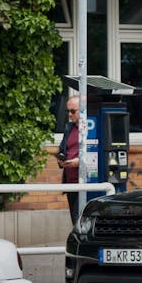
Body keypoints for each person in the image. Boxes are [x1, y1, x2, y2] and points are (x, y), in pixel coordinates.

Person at [57, 95, 80, 224]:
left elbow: (95, 152)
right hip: (70, 181)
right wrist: (61, 159)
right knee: (74, 219)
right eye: (68, 111)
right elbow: (62, 148)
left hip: (84, 182)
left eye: (73, 111)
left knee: (81, 220)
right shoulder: (68, 128)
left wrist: (80, 162)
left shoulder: (90, 128)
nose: (69, 114)